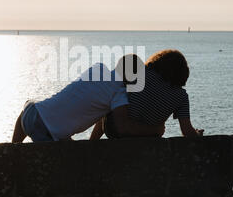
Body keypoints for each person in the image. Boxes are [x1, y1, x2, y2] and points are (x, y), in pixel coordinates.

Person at [11, 59, 161, 143]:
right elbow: (123, 127)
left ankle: (13, 148)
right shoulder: (119, 94)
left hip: (30, 116)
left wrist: (92, 141)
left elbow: (96, 109)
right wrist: (154, 130)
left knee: (29, 104)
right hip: (48, 134)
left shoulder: (98, 68)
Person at [90, 50, 204, 140]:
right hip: (149, 135)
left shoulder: (142, 73)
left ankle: (92, 142)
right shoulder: (182, 96)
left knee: (115, 101)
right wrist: (197, 135)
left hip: (115, 131)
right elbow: (187, 131)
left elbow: (114, 92)